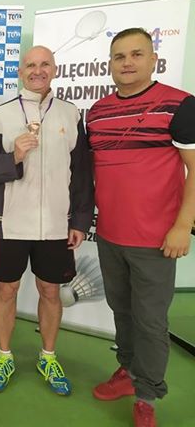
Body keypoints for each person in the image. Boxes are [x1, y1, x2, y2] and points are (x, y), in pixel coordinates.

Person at [87, 27, 195, 427]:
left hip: (156, 239)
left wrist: (183, 225)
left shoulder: (179, 105)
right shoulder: (97, 112)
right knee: (122, 310)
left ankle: (147, 394)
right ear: (110, 64)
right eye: (119, 56)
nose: (127, 63)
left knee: (150, 321)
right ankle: (128, 370)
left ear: (153, 60)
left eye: (136, 54)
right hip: (109, 235)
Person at [0, 45, 93, 395]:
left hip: (55, 225)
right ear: (20, 71)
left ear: (54, 69)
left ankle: (48, 356)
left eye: (44, 64)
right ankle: (4, 356)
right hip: (10, 224)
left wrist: (79, 221)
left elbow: (82, 174)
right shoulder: (0, 115)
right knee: (6, 290)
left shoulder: (71, 114)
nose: (37, 71)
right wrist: (14, 157)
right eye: (30, 65)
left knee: (51, 291)